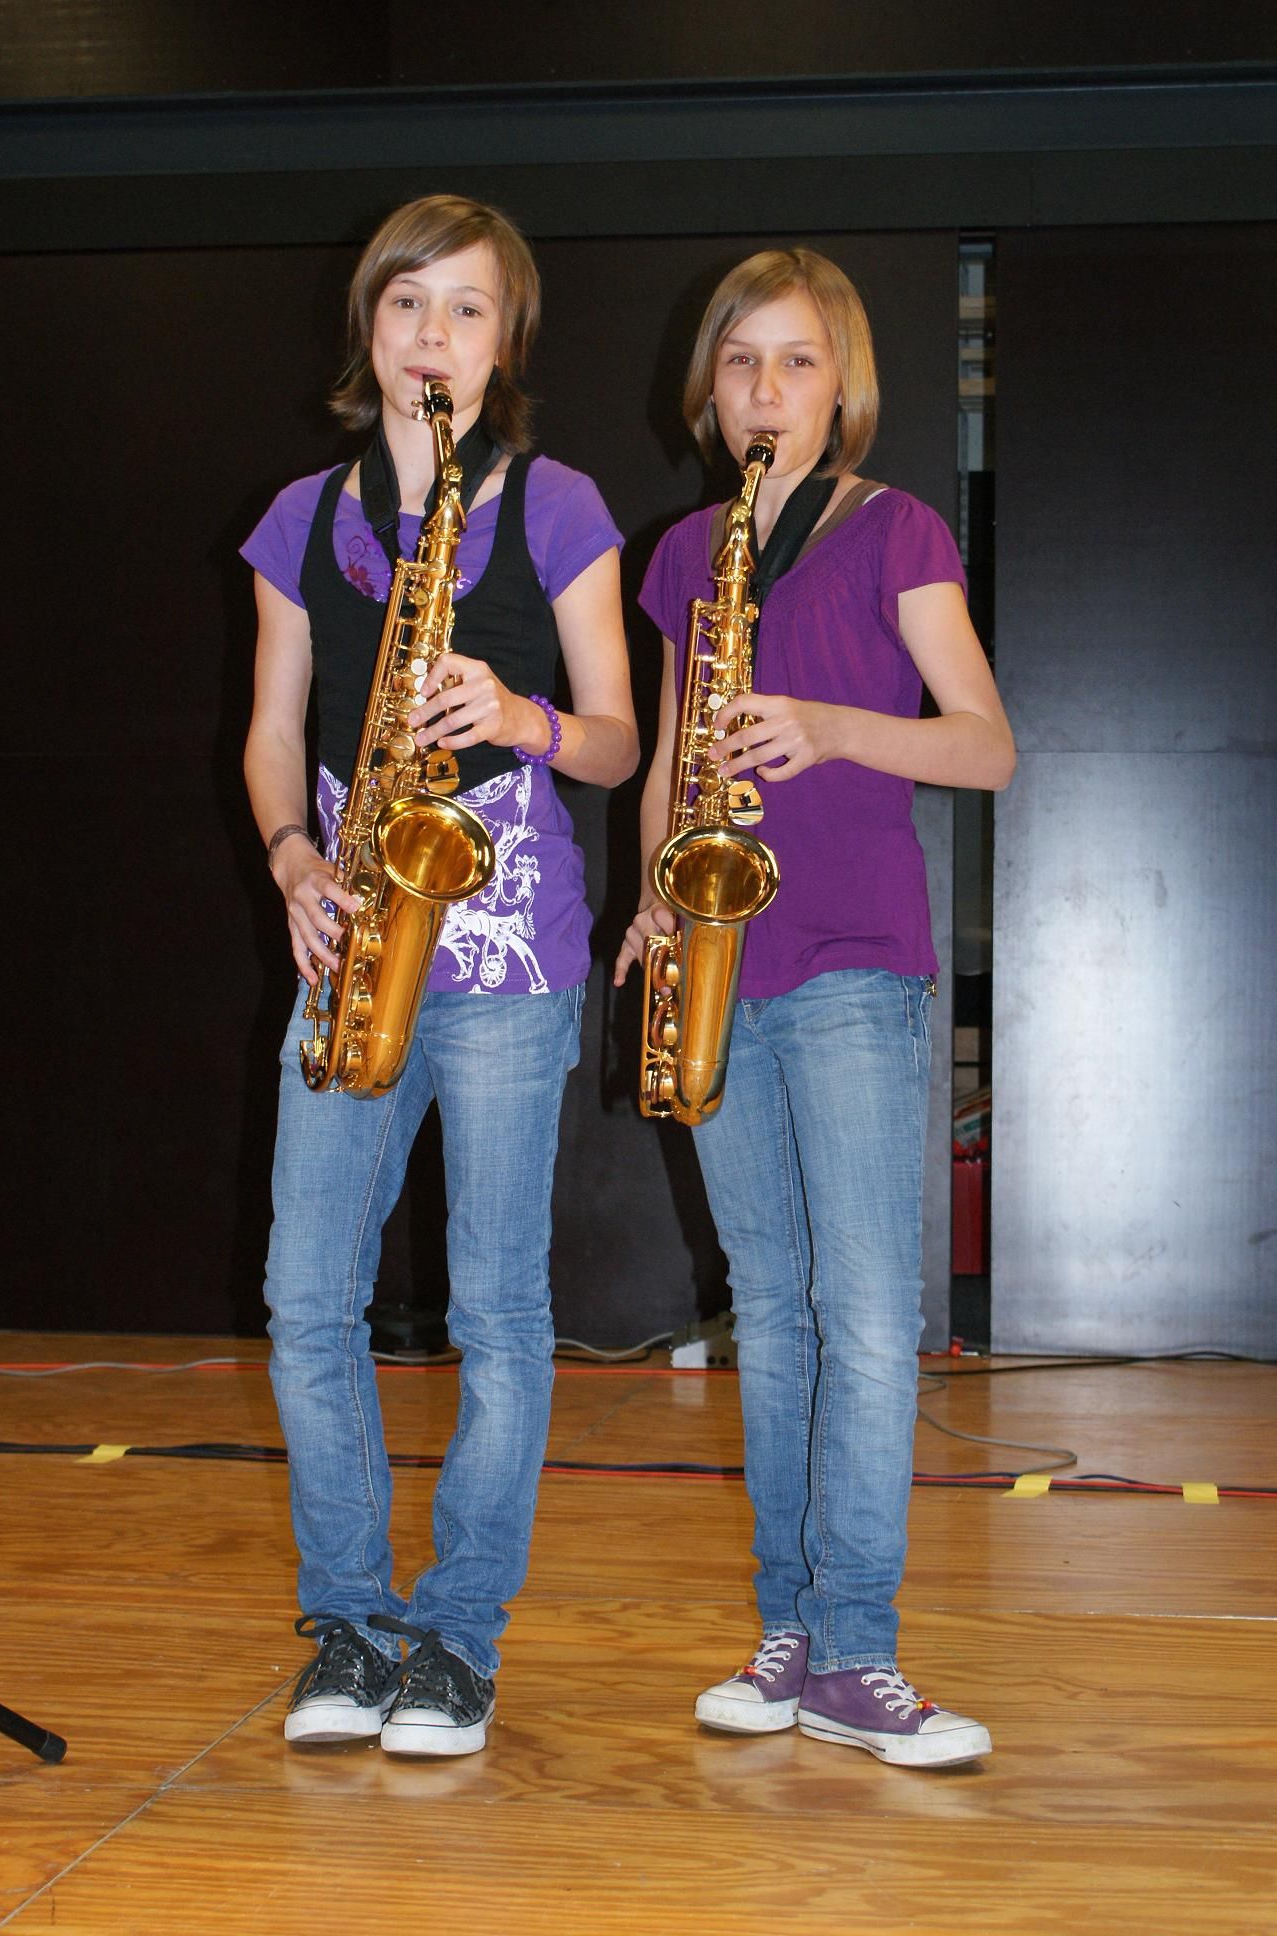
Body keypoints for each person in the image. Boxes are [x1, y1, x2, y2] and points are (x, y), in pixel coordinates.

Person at [243, 194, 637, 1757]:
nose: (434, 333)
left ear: (504, 343)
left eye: (468, 309)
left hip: (511, 951)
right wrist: (293, 858)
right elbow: (274, 728)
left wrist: (523, 718)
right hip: (352, 931)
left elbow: (618, 738)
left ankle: (459, 1636)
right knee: (305, 1301)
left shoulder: (557, 503)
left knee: (498, 1308)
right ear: (371, 325)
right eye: (409, 302)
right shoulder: (299, 516)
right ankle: (348, 1624)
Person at [615, 248, 1014, 1768]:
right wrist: (654, 896)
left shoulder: (898, 530)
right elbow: (667, 762)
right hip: (723, 959)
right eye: (741, 363)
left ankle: (857, 1647)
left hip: (853, 958)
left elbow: (985, 746)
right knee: (769, 1311)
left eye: (795, 361)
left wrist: (834, 728)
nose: (766, 388)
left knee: (865, 1314)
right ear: (710, 393)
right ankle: (788, 1633)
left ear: (842, 386)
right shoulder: (683, 554)